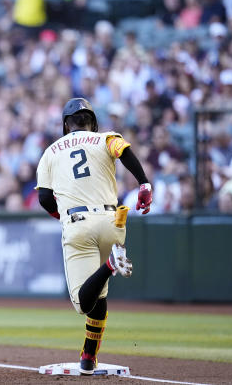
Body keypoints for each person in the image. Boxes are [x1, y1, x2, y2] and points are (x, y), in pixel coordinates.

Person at [35, 98, 152, 375]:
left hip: (78, 223)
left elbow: (43, 197)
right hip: (113, 223)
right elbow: (124, 151)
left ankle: (111, 265)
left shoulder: (51, 151)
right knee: (99, 297)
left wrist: (59, 214)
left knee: (82, 302)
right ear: (92, 122)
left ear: (66, 124)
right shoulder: (104, 138)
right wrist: (144, 183)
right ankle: (88, 357)